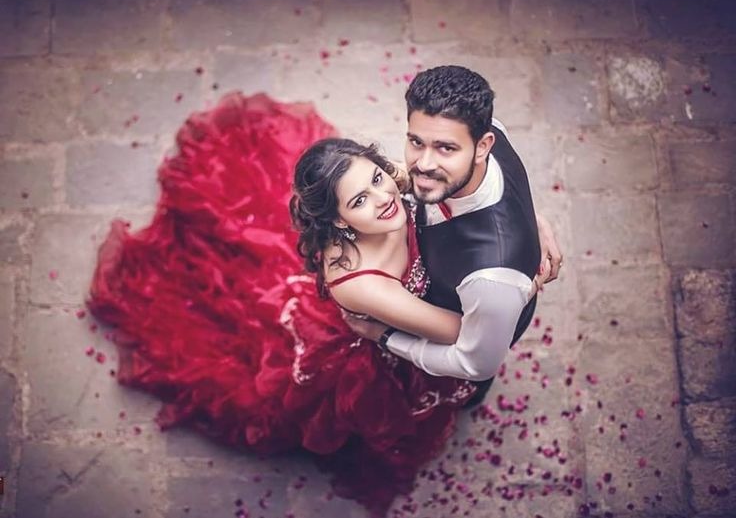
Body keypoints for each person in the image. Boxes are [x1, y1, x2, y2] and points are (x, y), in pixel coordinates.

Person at [87, 93, 482, 517]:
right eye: (358, 201)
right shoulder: (361, 283)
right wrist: (505, 282)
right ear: (339, 221)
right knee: (452, 381)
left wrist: (521, 219)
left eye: (377, 178)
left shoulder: (387, 189)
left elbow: (460, 177)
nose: (382, 198)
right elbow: (458, 331)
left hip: (418, 306)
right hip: (389, 347)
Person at [343, 65, 563, 406]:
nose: (424, 164)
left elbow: (474, 364)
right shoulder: (493, 130)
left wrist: (386, 337)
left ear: (483, 146)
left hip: (475, 319)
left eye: (446, 148)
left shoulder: (491, 280)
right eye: (416, 142)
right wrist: (535, 219)